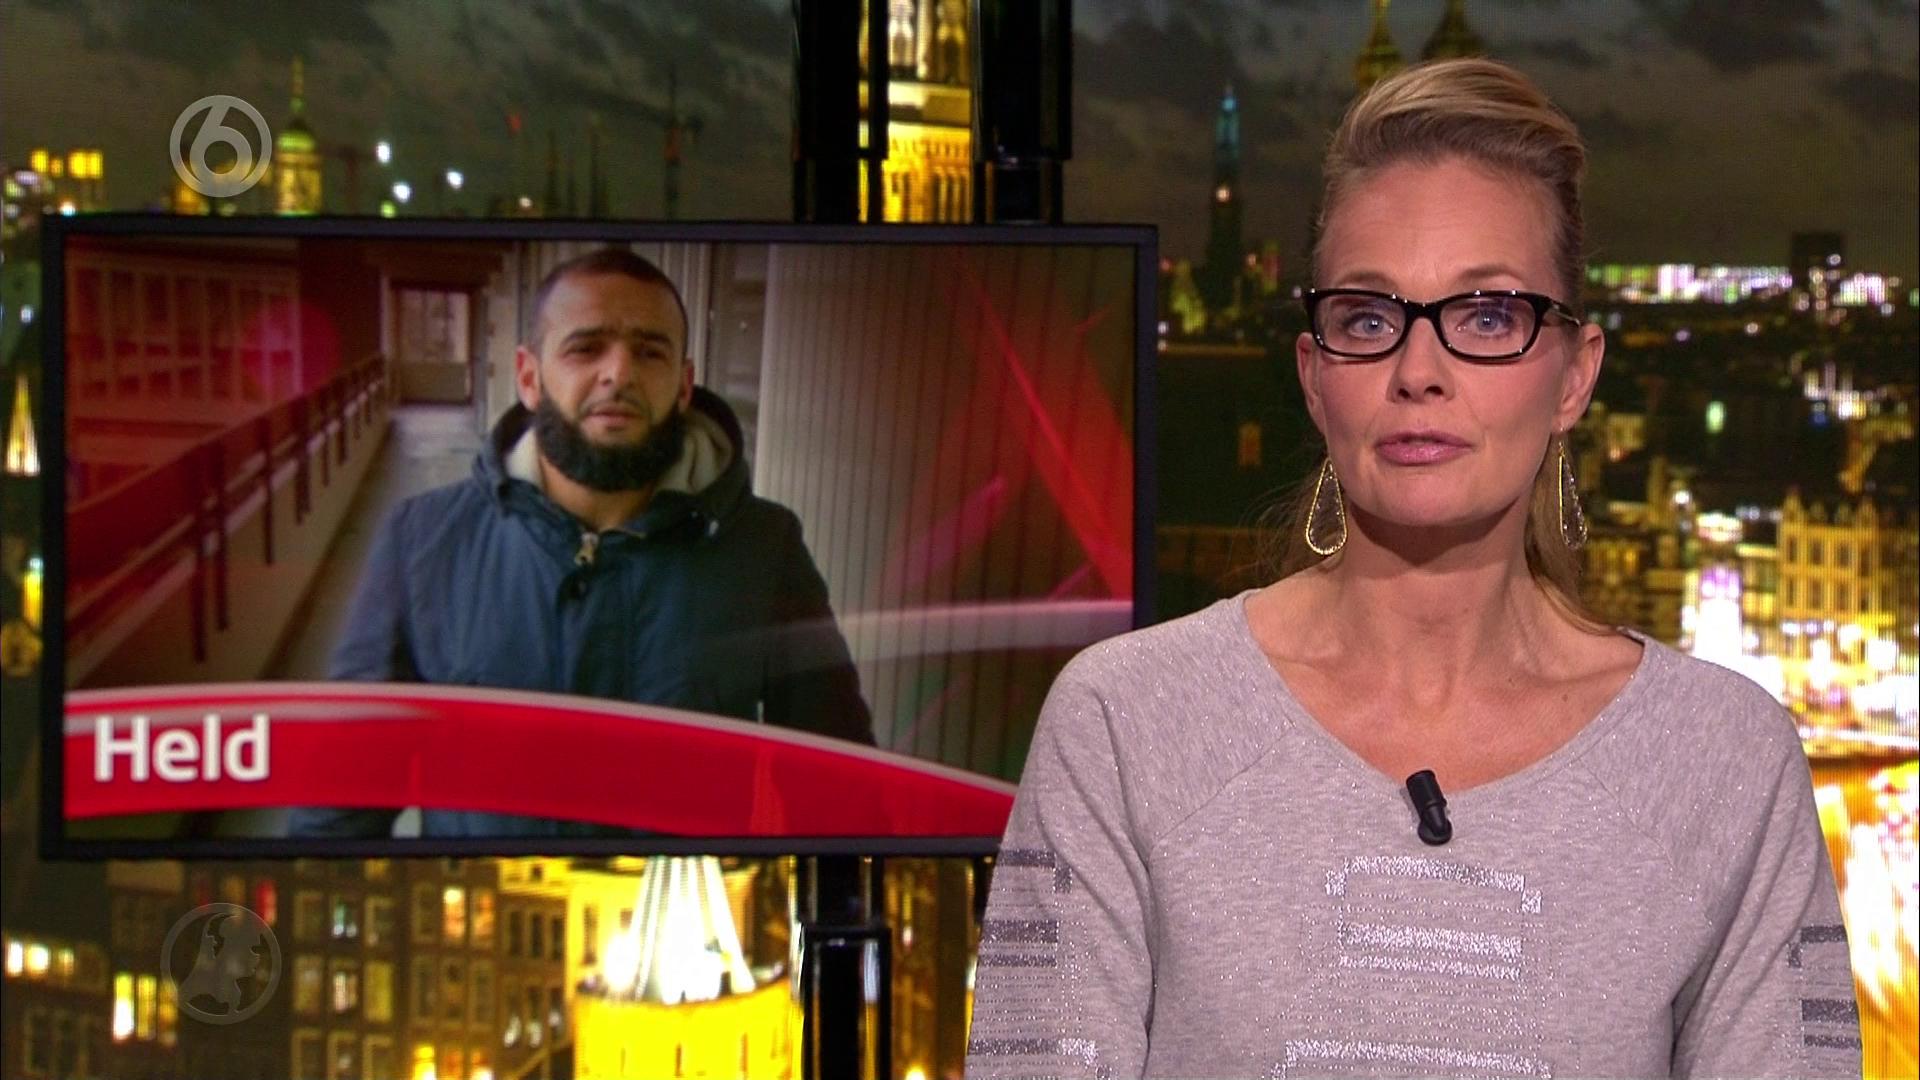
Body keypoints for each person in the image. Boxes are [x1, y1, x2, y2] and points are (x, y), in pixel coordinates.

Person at [966, 60, 1860, 1078]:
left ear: (1576, 376)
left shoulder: (1724, 761)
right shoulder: (1126, 724)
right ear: (1314, 377)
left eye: (1487, 317)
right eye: (1368, 318)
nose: (1419, 371)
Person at [290, 248, 874, 838]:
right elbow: (339, 804)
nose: (619, 373)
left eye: (650, 352)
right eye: (585, 348)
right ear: (529, 377)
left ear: (683, 386)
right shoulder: (423, 542)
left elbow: (842, 795)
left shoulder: (764, 550)